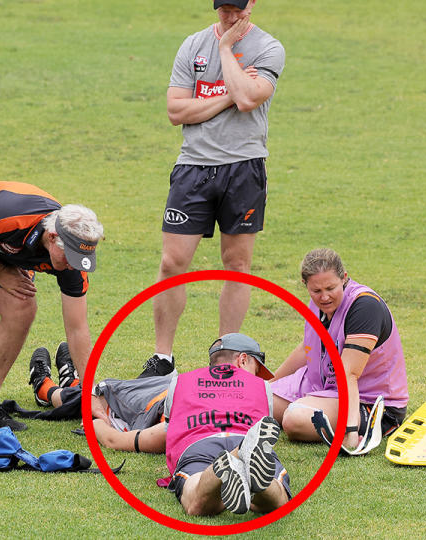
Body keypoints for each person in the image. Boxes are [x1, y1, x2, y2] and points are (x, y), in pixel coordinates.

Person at [147, 0, 285, 377]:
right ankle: (163, 358)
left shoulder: (270, 48)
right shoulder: (192, 46)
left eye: (237, 9)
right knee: (172, 263)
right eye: (223, 9)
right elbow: (176, 112)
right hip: (193, 167)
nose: (230, 17)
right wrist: (227, 95)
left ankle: (227, 359)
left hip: (244, 168)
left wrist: (226, 50)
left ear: (252, 5)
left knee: (237, 265)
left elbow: (250, 98)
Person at [91, 334, 290, 516]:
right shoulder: (262, 388)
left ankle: (227, 464)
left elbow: (157, 434)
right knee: (280, 501)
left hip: (198, 445)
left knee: (197, 502)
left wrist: (96, 423)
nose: (256, 377)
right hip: (247, 437)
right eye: (256, 369)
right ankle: (255, 474)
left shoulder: (181, 383)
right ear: (243, 360)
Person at [0, 180, 104, 430]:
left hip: (0, 251)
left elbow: (78, 328)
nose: (73, 265)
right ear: (53, 237)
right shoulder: (10, 218)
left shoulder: (73, 264)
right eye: (70, 257)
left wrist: (90, 393)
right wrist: (1, 272)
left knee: (21, 306)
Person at [271, 248, 409, 449]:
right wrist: (270, 381)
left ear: (343, 278)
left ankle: (353, 423)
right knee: (256, 401)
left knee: (294, 419)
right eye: (316, 291)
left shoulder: (365, 307)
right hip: (324, 388)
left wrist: (350, 431)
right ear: (306, 285)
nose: (324, 297)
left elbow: (349, 374)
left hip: (370, 403)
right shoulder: (317, 303)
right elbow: (307, 348)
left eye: (330, 288)